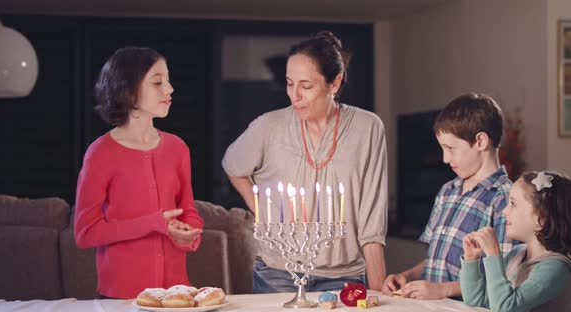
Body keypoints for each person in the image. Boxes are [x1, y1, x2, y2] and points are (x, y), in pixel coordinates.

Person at [222, 31, 388, 293]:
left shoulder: (368, 128)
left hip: (344, 276)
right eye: (289, 83)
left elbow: (372, 213)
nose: (294, 95)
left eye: (306, 86)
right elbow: (233, 165)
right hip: (278, 272)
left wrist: (379, 288)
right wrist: (261, 211)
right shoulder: (269, 125)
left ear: (335, 83)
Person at [74, 47, 203, 299]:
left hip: (177, 294)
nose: (169, 89)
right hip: (122, 297)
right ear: (129, 90)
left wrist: (188, 235)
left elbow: (188, 211)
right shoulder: (100, 153)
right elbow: (85, 233)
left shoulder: (177, 148)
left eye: (167, 80)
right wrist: (153, 224)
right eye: (157, 82)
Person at [382, 93, 517, 299]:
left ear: (480, 141)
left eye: (450, 148)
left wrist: (442, 290)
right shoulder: (448, 191)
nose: (445, 159)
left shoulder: (506, 199)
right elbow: (437, 260)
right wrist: (407, 276)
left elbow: (506, 277)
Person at [460, 171, 571, 311]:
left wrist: (493, 254)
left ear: (541, 220)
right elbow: (477, 302)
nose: (504, 211)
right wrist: (471, 259)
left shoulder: (556, 268)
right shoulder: (516, 254)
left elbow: (505, 307)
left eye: (513, 204)